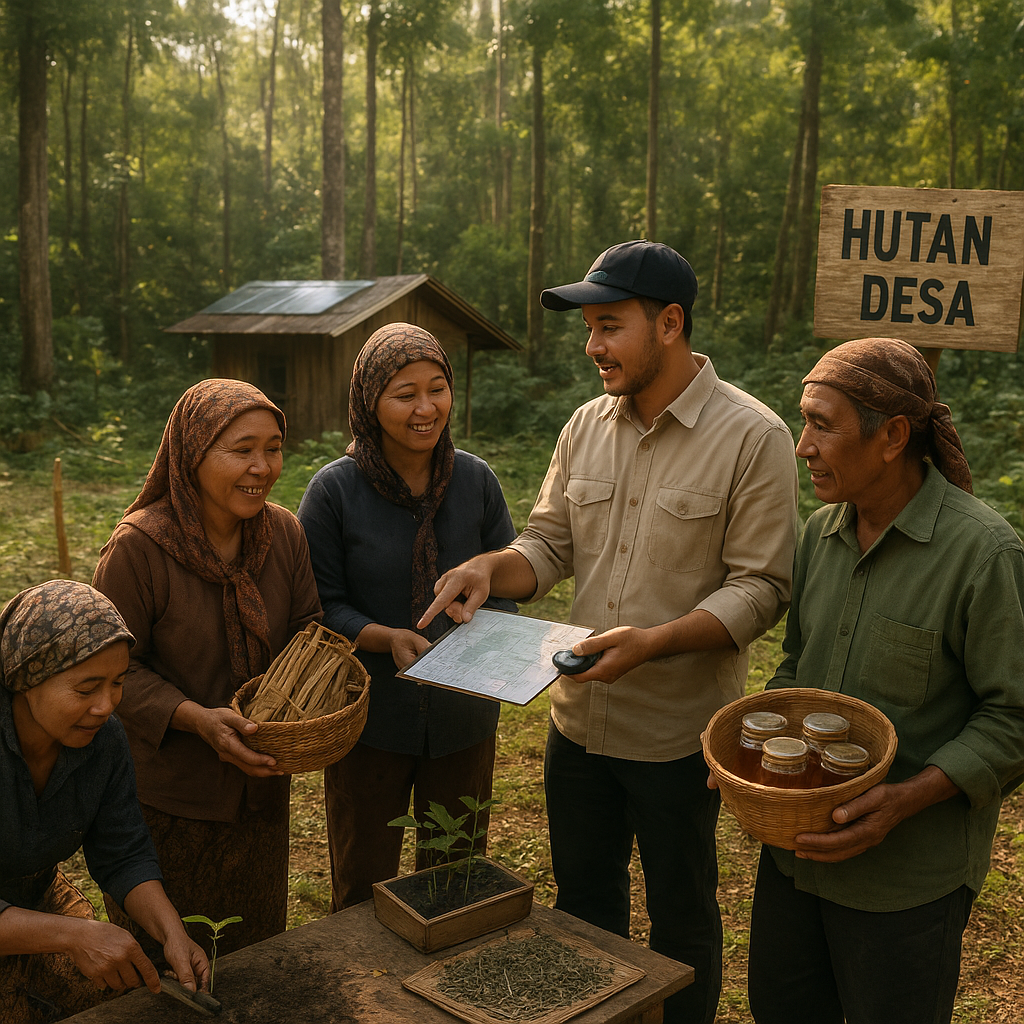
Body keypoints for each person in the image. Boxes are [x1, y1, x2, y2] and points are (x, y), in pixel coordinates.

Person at [420, 240, 800, 1024]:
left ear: (669, 323)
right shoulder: (586, 426)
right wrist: (494, 566)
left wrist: (655, 642)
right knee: (584, 906)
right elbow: (550, 544)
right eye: (588, 329)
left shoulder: (752, 438)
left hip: (674, 736)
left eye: (608, 326)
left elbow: (762, 588)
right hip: (578, 728)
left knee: (680, 917)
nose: (592, 347)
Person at [746, 338, 1024, 1024]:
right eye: (801, 422)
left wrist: (903, 800)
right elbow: (796, 664)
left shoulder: (983, 555)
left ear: (894, 435)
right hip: (793, 860)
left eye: (822, 424)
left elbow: (1014, 717)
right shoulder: (820, 533)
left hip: (906, 884)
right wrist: (750, 749)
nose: (802, 446)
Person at [92, 379, 322, 957]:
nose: (261, 467)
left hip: (261, 790)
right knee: (162, 969)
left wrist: (305, 708)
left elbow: (308, 632)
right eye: (241, 449)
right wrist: (197, 719)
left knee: (254, 956)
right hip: (171, 798)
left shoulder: (284, 534)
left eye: (272, 448)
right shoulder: (138, 550)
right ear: (192, 453)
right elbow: (117, 670)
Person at [296, 323, 517, 910]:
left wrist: (485, 620)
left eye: (437, 388)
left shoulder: (475, 481)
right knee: (363, 880)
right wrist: (383, 636)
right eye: (404, 393)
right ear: (370, 402)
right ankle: (364, 996)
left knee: (456, 877)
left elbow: (509, 576)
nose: (426, 408)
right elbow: (318, 605)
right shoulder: (334, 492)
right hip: (370, 719)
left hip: (464, 715)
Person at [0, 580, 210, 1023]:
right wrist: (74, 935)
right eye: (86, 689)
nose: (106, 705)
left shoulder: (103, 741)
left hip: (36, 902)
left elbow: (123, 852)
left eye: (117, 683)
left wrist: (172, 931)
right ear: (25, 679)